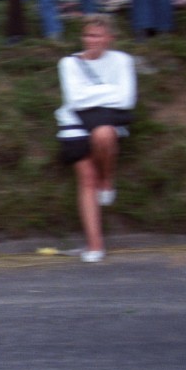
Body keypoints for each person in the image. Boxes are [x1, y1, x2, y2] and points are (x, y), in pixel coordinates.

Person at [55, 14, 136, 263]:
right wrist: (109, 91)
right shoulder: (68, 63)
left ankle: (107, 179)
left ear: (110, 38)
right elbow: (74, 100)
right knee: (86, 178)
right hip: (74, 122)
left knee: (104, 133)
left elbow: (127, 100)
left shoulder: (123, 61)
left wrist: (91, 94)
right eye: (88, 35)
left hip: (105, 122)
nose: (92, 40)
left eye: (98, 35)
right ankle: (95, 244)